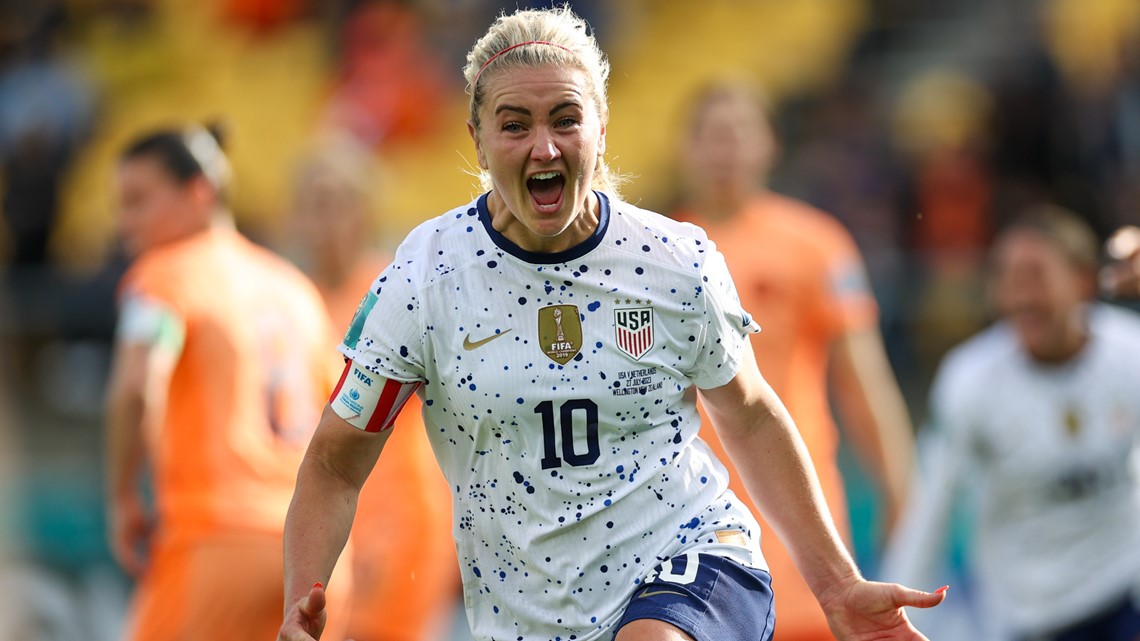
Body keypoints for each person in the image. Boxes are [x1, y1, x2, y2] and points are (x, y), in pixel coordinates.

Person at [277, 7, 946, 641]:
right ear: (477, 141)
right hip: (528, 612)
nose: (544, 147)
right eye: (515, 124)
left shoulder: (675, 260)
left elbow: (748, 413)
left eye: (566, 119)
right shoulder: (426, 278)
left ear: (601, 129)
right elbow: (336, 462)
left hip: (689, 558)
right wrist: (299, 603)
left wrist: (835, 583)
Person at [672, 80, 919, 641]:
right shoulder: (653, 255)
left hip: (798, 526)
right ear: (684, 149)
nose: (724, 151)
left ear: (768, 146)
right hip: (691, 527)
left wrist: (901, 494)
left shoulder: (816, 245)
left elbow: (865, 387)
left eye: (738, 134)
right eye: (710, 136)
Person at [104, 125, 349, 641]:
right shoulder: (295, 289)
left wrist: (125, 494)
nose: (124, 223)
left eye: (138, 201)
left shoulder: (166, 273)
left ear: (199, 191)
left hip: (215, 544)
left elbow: (135, 385)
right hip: (312, 560)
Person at [882, 206, 1140, 641]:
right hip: (1026, 615)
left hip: (1120, 595)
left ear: (1082, 280)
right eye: (1005, 277)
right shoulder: (970, 380)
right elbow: (932, 508)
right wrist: (895, 620)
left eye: (1035, 274)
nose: (1018, 293)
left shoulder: (1130, 353)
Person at [288, 140, 459, 641]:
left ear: (364, 211)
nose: (327, 220)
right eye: (314, 205)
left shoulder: (394, 292)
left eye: (338, 202)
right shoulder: (291, 297)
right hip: (326, 514)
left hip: (398, 520)